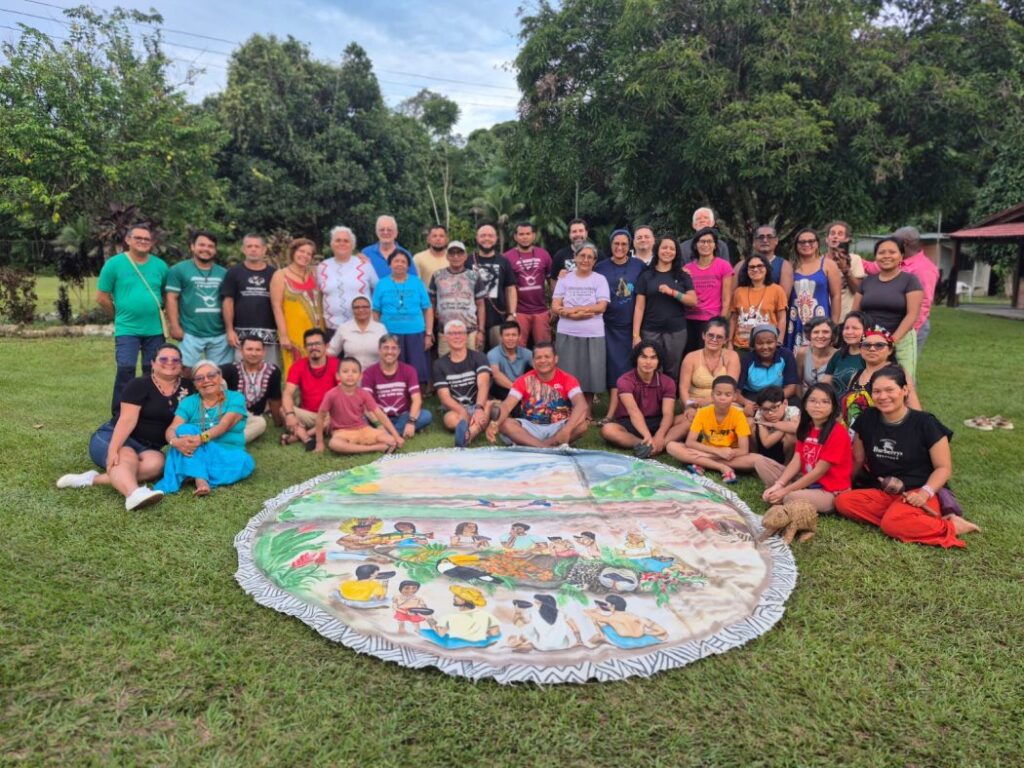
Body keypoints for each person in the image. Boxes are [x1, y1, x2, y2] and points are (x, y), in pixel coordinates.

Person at [835, 367, 979, 547]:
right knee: (843, 502)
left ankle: (951, 526)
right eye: (877, 391)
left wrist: (925, 493)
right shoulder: (868, 417)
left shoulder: (926, 423)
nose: (883, 396)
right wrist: (845, 485)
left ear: (904, 390)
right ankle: (906, 519)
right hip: (886, 492)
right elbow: (858, 458)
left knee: (891, 525)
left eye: (889, 390)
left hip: (918, 491)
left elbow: (943, 468)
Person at [56, 343, 193, 511]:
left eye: (175, 360)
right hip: (113, 436)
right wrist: (113, 450)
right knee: (126, 454)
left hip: (149, 448)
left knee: (157, 464)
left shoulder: (189, 387)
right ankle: (133, 494)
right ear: (153, 363)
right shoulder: (139, 384)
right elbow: (126, 420)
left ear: (181, 364)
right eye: (163, 359)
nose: (169, 363)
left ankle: (91, 479)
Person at [96, 223, 169, 414]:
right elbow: (102, 297)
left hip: (155, 329)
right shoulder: (114, 264)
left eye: (147, 239)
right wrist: (118, 316)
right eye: (138, 238)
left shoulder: (160, 266)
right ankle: (120, 414)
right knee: (125, 370)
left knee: (153, 371)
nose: (143, 242)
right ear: (128, 240)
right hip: (127, 329)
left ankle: (149, 410)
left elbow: (167, 295)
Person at [155, 359, 254, 496]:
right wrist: (174, 441)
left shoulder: (235, 398)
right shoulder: (189, 402)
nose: (206, 380)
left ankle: (189, 470)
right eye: (199, 378)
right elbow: (172, 429)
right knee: (184, 430)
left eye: (211, 375)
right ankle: (200, 479)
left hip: (224, 453)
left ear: (220, 377)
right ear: (195, 384)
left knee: (244, 462)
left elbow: (224, 426)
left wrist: (201, 438)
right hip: (196, 450)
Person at [756, 383, 853, 513]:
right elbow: (797, 460)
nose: (818, 405)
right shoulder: (806, 427)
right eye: (812, 400)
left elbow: (819, 472)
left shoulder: (838, 432)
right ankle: (783, 492)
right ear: (805, 404)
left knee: (791, 497)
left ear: (833, 406)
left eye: (825, 402)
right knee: (760, 462)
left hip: (829, 491)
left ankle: (786, 495)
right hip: (806, 482)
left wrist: (785, 490)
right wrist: (779, 484)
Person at [486, 341, 589, 448]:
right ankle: (547, 447)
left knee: (582, 425)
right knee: (505, 424)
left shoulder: (568, 379)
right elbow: (507, 406)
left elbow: (581, 404)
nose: (543, 360)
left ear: (556, 359)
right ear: (533, 361)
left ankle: (536, 446)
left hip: (558, 427)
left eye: (547, 357)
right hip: (530, 429)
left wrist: (567, 429)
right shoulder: (523, 380)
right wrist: (494, 424)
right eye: (538, 358)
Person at [600, 341, 688, 458]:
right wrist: (647, 435)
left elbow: (668, 413)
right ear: (636, 359)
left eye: (653, 358)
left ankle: (657, 444)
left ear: (659, 361)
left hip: (657, 421)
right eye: (644, 357)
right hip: (630, 422)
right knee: (608, 430)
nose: (648, 362)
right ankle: (647, 444)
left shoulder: (668, 382)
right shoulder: (624, 380)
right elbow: (633, 412)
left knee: (689, 419)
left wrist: (660, 434)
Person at [853, 236, 923, 381]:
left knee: (903, 381)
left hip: (900, 340)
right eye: (881, 252)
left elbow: (912, 315)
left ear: (901, 256)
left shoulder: (910, 280)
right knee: (867, 381)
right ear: (876, 256)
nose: (886, 256)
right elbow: (855, 314)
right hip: (870, 341)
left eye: (892, 252)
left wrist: (891, 342)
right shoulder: (867, 282)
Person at [595, 229, 646, 418]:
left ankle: (630, 405)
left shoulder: (639, 266)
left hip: (631, 325)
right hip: (608, 326)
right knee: (613, 367)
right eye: (616, 243)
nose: (620, 247)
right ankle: (615, 408)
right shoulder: (600, 267)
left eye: (624, 244)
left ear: (629, 246)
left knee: (629, 366)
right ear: (611, 245)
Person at [864, 226, 939, 355]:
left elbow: (923, 304)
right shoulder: (898, 262)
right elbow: (872, 268)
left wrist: (908, 333)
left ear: (905, 243)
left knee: (901, 365)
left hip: (909, 328)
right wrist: (851, 260)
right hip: (890, 324)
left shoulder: (924, 269)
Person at [632, 235, 698, 383]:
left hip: (676, 331)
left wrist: (672, 292)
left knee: (672, 369)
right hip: (650, 330)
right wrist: (636, 335)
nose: (668, 251)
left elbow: (693, 301)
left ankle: (669, 396)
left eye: (672, 248)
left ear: (676, 252)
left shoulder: (683, 275)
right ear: (657, 250)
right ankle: (651, 396)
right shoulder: (646, 276)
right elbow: (639, 307)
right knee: (650, 367)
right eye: (664, 247)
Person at [551, 241, 610, 402]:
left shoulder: (600, 279)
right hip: (567, 332)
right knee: (566, 374)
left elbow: (601, 306)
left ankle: (587, 411)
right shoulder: (565, 278)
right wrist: (572, 314)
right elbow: (555, 305)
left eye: (590, 257)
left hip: (593, 334)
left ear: (595, 261)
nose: (586, 260)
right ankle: (566, 409)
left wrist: (573, 310)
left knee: (590, 377)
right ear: (575, 257)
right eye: (582, 256)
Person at [165, 230, 231, 373]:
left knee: (221, 373)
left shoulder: (224, 273)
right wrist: (174, 326)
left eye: (210, 246)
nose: (206, 249)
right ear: (192, 246)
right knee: (185, 371)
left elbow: (228, 302)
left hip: (219, 333)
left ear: (215, 250)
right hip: (190, 331)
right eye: (201, 245)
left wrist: (230, 330)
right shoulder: (178, 270)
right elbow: (171, 298)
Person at [666, 375, 750, 484]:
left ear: (734, 397)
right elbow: (690, 442)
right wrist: (717, 452)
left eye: (727, 395)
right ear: (712, 395)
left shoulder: (739, 415)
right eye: (718, 394)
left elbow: (744, 450)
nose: (722, 398)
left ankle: (702, 463)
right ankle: (722, 467)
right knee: (671, 446)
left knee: (754, 460)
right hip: (707, 450)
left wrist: (709, 455)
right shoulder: (702, 412)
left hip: (729, 454)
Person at [315, 357, 403, 455]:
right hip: (341, 432)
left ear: (360, 376)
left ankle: (356, 447)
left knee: (390, 440)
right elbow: (320, 417)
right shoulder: (331, 394)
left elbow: (379, 414)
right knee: (334, 444)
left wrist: (396, 436)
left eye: (354, 371)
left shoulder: (364, 393)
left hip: (363, 429)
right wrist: (319, 442)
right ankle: (375, 447)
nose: (350, 374)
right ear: (338, 376)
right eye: (345, 371)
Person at [840, 326, 920, 429]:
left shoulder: (897, 373)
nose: (872, 349)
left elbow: (916, 410)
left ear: (890, 350)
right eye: (867, 345)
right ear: (860, 349)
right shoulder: (856, 375)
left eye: (879, 345)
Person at [372, 251, 433, 385]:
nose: (399, 264)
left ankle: (416, 393)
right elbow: (375, 311)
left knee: (416, 369)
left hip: (415, 332)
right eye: (396, 261)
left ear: (408, 266)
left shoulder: (417, 282)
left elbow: (427, 309)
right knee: (393, 367)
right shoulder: (381, 284)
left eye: (403, 262)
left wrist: (428, 334)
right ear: (389, 264)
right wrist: (378, 333)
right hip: (390, 333)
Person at [221, 233, 279, 367]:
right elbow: (228, 302)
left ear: (264, 249)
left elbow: (280, 304)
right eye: (249, 246)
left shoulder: (275, 274)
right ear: (243, 249)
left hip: (269, 334)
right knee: (242, 372)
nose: (253, 249)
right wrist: (229, 330)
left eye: (257, 246)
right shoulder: (233, 272)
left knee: (270, 371)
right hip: (241, 335)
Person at [432, 319, 493, 447]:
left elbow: (483, 384)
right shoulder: (439, 364)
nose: (457, 336)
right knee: (449, 419)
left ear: (466, 336)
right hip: (457, 408)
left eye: (460, 333)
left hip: (479, 404)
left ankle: (469, 435)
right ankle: (479, 424)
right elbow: (444, 397)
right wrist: (463, 412)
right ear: (446, 337)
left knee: (489, 405)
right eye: (452, 333)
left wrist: (478, 408)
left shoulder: (479, 357)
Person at [270, 237, 324, 378]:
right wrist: (283, 335)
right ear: (293, 252)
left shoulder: (315, 273)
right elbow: (276, 307)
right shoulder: (280, 275)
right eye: (301, 251)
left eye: (309, 253)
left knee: (319, 370)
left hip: (318, 330)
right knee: (296, 372)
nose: (304, 255)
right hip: (294, 333)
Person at [361, 334, 432, 439]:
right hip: (379, 417)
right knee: (362, 419)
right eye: (386, 348)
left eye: (394, 348)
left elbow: (417, 400)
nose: (390, 352)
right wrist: (379, 424)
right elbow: (366, 404)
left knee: (426, 415)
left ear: (399, 351)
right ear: (379, 350)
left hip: (403, 416)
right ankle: (395, 432)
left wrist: (411, 422)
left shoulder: (409, 370)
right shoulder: (369, 373)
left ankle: (384, 435)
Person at [281, 328, 341, 447]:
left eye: (317, 343)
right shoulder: (298, 366)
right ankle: (307, 439)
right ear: (305, 347)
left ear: (326, 346)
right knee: (284, 409)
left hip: (329, 415)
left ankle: (300, 436)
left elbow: (343, 392)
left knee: (340, 413)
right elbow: (287, 393)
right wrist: (290, 415)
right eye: (309, 344)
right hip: (308, 415)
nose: (313, 347)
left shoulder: (337, 364)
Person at [220, 335, 283, 444]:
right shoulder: (228, 369)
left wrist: (278, 423)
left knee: (261, 423)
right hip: (226, 414)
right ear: (241, 351)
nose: (253, 353)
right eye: (249, 349)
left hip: (250, 419)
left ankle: (228, 441)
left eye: (258, 350)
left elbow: (275, 399)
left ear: (264, 352)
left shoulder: (273, 371)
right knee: (218, 382)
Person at [785, 228, 842, 348]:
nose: (807, 244)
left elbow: (836, 296)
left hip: (821, 318)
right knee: (796, 355)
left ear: (817, 243)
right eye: (802, 242)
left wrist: (834, 325)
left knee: (820, 354)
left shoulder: (828, 264)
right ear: (796, 245)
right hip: (795, 320)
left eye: (811, 241)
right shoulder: (789, 266)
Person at [317, 225, 378, 335]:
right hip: (332, 328)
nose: (342, 243)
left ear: (352, 245)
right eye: (338, 240)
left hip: (361, 327)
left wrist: (376, 315)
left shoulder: (364, 265)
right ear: (332, 244)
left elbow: (379, 290)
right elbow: (317, 295)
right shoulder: (322, 267)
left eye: (346, 241)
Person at [683, 227, 734, 355]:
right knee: (690, 357)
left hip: (711, 321)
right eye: (702, 241)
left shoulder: (724, 266)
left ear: (715, 245)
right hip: (689, 320)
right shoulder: (687, 268)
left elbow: (726, 299)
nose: (706, 245)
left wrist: (721, 324)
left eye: (709, 241)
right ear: (695, 245)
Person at [678, 317, 742, 420]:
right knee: (691, 419)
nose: (714, 339)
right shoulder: (691, 357)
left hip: (723, 403)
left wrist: (706, 401)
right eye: (710, 335)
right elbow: (683, 388)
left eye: (719, 337)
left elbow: (729, 388)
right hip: (695, 404)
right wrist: (689, 407)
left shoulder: (732, 356)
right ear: (704, 335)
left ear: (725, 340)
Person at [430, 241, 487, 354]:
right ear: (447, 256)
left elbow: (481, 305)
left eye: (459, 253)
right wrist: (429, 330)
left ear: (465, 256)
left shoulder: (474, 276)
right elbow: (431, 304)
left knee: (472, 362)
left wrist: (481, 331)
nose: (456, 257)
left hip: (470, 331)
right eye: (452, 253)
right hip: (445, 332)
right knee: (445, 362)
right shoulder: (437, 276)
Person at [503, 221, 552, 346]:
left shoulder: (544, 254)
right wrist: (510, 313)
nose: (525, 237)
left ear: (533, 236)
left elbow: (551, 281)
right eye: (521, 234)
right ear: (515, 237)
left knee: (544, 347)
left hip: (541, 311)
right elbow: (505, 287)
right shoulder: (506, 257)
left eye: (528, 234)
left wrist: (554, 306)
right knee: (517, 347)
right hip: (519, 312)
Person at [469, 223, 518, 348]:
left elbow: (510, 289)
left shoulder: (503, 261)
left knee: (499, 354)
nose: (486, 239)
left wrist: (511, 314)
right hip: (473, 320)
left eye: (490, 236)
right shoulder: (468, 261)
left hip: (498, 319)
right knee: (475, 354)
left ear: (496, 238)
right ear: (477, 238)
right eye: (483, 235)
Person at [729, 252, 787, 352]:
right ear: (746, 270)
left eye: (760, 266)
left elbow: (782, 319)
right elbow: (733, 319)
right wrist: (729, 343)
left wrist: (779, 342)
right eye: (751, 267)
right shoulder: (738, 292)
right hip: (741, 346)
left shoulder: (777, 290)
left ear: (767, 268)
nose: (755, 269)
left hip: (767, 347)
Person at [732, 385, 800, 469]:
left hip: (783, 449)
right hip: (764, 448)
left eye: (774, 407)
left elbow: (796, 428)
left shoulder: (792, 411)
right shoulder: (761, 413)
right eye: (765, 409)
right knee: (749, 422)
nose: (770, 413)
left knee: (791, 435)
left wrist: (774, 425)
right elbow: (766, 443)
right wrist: (785, 427)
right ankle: (754, 458)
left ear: (785, 403)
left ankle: (787, 465)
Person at [736, 324, 799, 414]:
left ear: (776, 342)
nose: (765, 347)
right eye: (760, 343)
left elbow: (791, 387)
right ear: (754, 344)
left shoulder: (786, 355)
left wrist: (772, 402)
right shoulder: (746, 359)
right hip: (754, 397)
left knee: (796, 405)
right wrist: (747, 403)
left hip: (779, 396)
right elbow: (736, 391)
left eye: (769, 342)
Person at [420, 585, 501, 649]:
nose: (454, 597)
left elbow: (441, 633)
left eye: (456, 596)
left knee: (424, 631)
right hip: (479, 643)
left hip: (455, 644)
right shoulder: (487, 615)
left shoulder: (450, 617)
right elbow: (495, 632)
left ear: (463, 600)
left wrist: (429, 618)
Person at [733, 224, 794, 300]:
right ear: (754, 242)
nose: (765, 240)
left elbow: (783, 298)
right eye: (761, 237)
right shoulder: (740, 265)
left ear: (776, 241)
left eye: (769, 237)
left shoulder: (784, 266)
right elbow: (731, 296)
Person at [585, 594, 667, 649]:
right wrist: (646, 633)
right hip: (643, 641)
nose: (606, 606)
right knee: (663, 635)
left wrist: (597, 609)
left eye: (607, 604)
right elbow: (662, 631)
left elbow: (586, 613)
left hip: (624, 643)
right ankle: (601, 638)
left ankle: (599, 638)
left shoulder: (610, 618)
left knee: (599, 622)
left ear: (613, 606)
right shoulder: (636, 617)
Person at [326, 296, 387, 369]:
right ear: (352, 310)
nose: (361, 310)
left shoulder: (380, 328)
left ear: (370, 309)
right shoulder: (344, 328)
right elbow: (332, 351)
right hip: (350, 373)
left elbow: (387, 353)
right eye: (356, 307)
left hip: (374, 373)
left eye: (365, 307)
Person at [508, 594, 583, 652]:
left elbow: (518, 623)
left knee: (529, 628)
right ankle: (529, 644)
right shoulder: (562, 614)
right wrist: (579, 641)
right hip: (562, 646)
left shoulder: (533, 614)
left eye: (537, 603)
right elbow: (575, 627)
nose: (535, 604)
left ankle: (530, 645)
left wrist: (517, 612)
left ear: (543, 604)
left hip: (543, 647)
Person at [821, 311, 870, 396]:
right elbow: (825, 384)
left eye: (855, 328)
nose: (849, 332)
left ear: (866, 331)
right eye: (846, 328)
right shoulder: (838, 355)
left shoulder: (870, 356)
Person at [823, 220, 865, 320]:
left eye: (840, 234)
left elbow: (858, 290)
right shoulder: (819, 261)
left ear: (847, 239)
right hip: (823, 315)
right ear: (827, 239)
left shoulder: (855, 259)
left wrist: (845, 269)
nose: (835, 236)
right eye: (832, 233)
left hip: (846, 316)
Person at [487, 321, 533, 401]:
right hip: (502, 388)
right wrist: (518, 390)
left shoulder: (527, 353)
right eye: (507, 335)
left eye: (514, 335)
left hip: (521, 387)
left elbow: (539, 368)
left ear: (519, 337)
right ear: (501, 337)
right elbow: (496, 375)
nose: (510, 338)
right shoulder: (493, 354)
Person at [795, 316, 836, 394]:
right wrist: (801, 400)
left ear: (832, 335)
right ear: (809, 335)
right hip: (808, 397)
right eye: (816, 332)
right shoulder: (802, 353)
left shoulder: (838, 355)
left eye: (825, 332)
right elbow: (798, 383)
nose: (820, 336)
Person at [550, 217, 598, 282]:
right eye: (574, 231)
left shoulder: (598, 254)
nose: (578, 234)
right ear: (569, 235)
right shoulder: (560, 256)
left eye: (581, 231)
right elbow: (553, 280)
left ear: (586, 233)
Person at [412, 223, 450, 289]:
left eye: (441, 236)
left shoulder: (453, 259)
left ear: (446, 239)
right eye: (434, 236)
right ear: (428, 239)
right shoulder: (418, 258)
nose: (438, 239)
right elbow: (414, 282)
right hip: (426, 295)